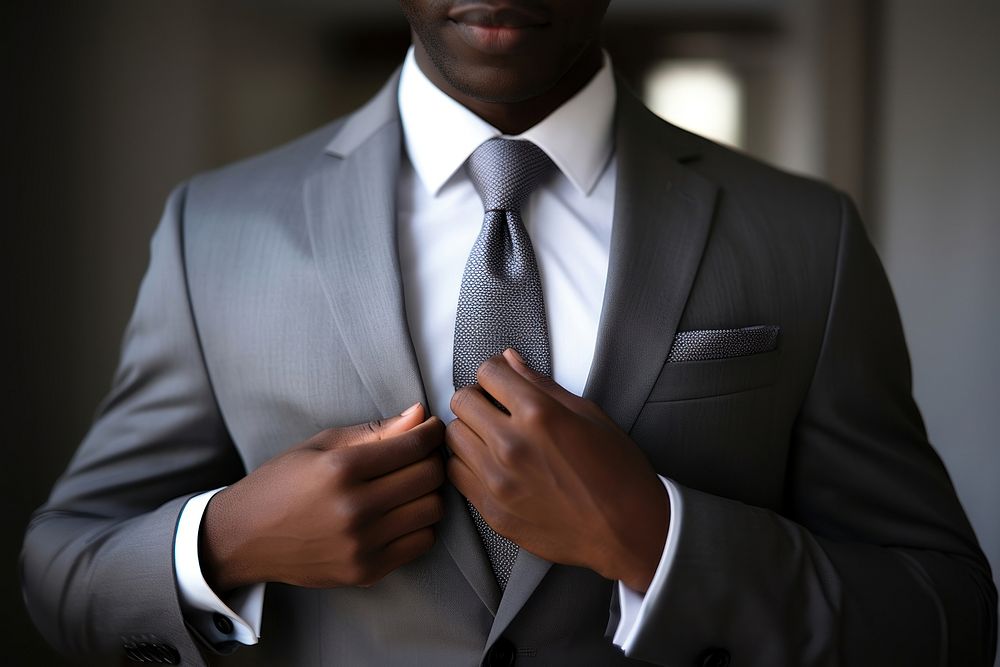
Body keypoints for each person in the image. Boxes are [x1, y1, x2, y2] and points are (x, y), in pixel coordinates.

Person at [21, 1, 997, 665]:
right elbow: (63, 570)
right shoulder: (214, 230)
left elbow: (945, 612)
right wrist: (224, 541)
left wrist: (657, 538)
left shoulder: (803, 235)